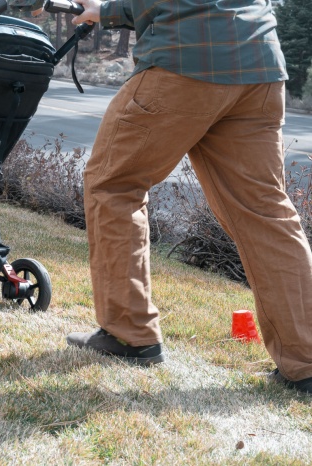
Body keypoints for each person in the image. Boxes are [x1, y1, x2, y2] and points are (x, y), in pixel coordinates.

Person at [63, 0, 312, 394]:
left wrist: (106, 9)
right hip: (259, 65)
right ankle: (307, 361)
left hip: (185, 62)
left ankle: (129, 333)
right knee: (265, 212)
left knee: (114, 184)